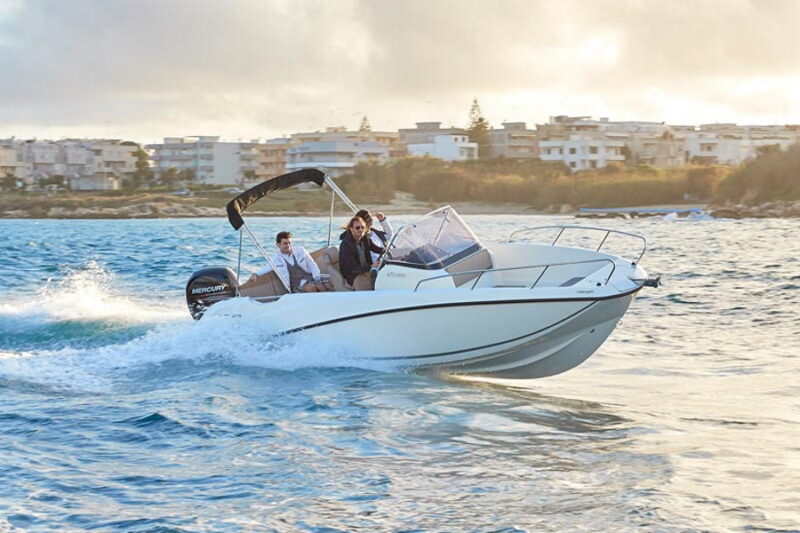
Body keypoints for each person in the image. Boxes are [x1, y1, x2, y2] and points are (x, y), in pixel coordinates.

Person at [248, 231, 326, 293]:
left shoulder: (300, 250)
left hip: (311, 277)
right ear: (278, 245)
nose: (288, 245)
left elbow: (312, 265)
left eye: (289, 243)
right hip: (297, 285)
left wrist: (317, 279)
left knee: (329, 282)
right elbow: (266, 268)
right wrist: (256, 274)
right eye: (285, 243)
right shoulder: (276, 259)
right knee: (311, 288)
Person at [339, 216, 383, 291]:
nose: (360, 230)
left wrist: (387, 250)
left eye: (363, 227)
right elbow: (353, 268)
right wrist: (371, 266)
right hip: (354, 275)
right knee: (368, 290)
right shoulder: (345, 245)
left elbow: (377, 249)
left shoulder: (365, 239)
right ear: (351, 229)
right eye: (357, 228)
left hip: (367, 271)